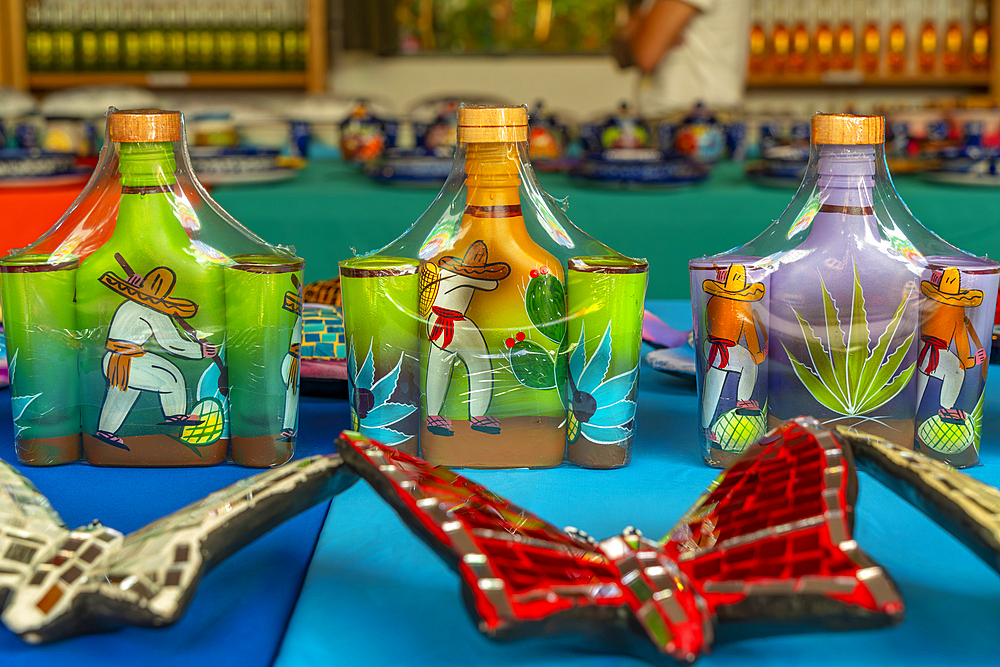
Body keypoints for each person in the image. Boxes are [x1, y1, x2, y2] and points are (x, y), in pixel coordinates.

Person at [613, 0, 750, 115]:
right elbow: (621, 54)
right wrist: (648, 30)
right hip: (685, 116)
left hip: (695, 123)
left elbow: (646, 55)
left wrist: (642, 26)